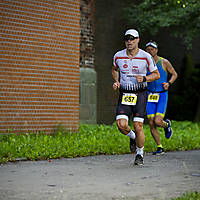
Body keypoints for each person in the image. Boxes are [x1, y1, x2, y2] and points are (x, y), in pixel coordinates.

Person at [112, 29, 160, 165]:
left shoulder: (145, 56)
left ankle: (140, 154)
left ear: (138, 40)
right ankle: (132, 136)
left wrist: (145, 78)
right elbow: (114, 69)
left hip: (140, 95)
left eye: (132, 39)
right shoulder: (118, 56)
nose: (129, 41)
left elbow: (156, 74)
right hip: (125, 94)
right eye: (127, 39)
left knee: (139, 126)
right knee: (121, 125)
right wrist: (116, 81)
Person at [145, 41, 178, 155]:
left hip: (161, 95)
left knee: (158, 121)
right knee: (151, 122)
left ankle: (167, 125)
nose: (150, 51)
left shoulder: (164, 62)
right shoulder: (144, 63)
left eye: (152, 49)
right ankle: (160, 147)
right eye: (148, 49)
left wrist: (168, 83)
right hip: (150, 95)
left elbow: (174, 74)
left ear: (156, 50)